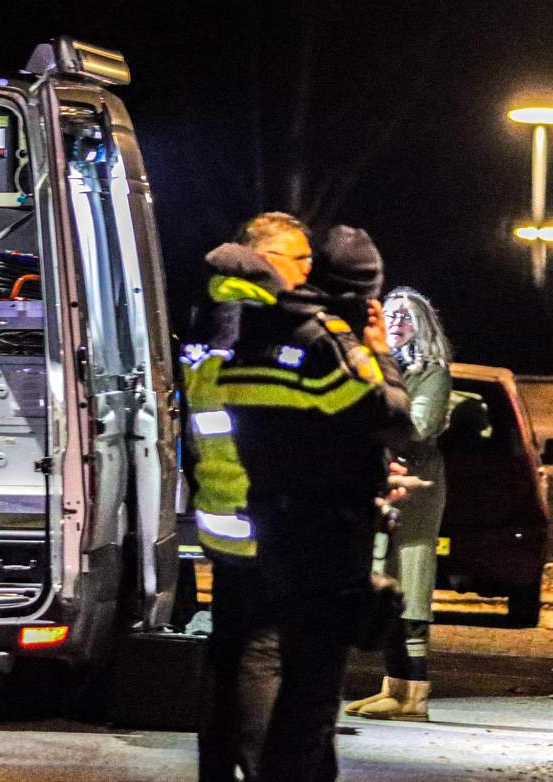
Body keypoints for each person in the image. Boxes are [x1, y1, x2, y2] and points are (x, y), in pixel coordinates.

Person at [191, 214, 412, 781]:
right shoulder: (287, 330)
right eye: (296, 261)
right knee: (290, 669)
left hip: (247, 505)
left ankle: (235, 769)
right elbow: (385, 416)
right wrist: (378, 355)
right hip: (277, 513)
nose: (304, 273)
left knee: (239, 651)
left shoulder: (230, 318)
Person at [345, 286, 453, 723]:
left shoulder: (431, 370)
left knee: (410, 583)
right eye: (390, 315)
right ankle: (392, 686)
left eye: (406, 317)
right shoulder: (374, 365)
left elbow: (422, 424)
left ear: (422, 326)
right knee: (382, 582)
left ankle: (415, 695)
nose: (396, 323)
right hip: (377, 479)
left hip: (414, 485)